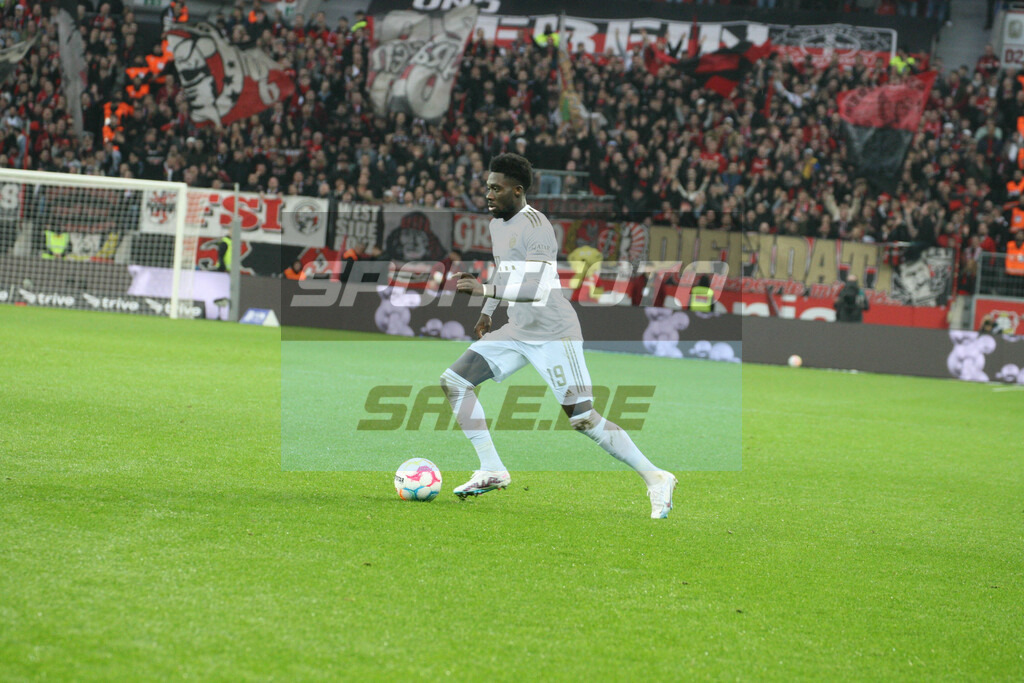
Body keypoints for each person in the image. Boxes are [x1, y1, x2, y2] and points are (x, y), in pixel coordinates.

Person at [442, 153, 677, 519]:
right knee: (455, 382)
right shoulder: (498, 224)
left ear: (517, 191)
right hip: (518, 330)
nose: (487, 194)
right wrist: (488, 313)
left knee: (582, 418)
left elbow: (535, 288)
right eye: (487, 187)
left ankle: (656, 477)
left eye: (495, 188)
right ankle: (492, 469)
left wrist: (485, 292)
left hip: (554, 333)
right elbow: (506, 273)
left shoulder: (538, 227)